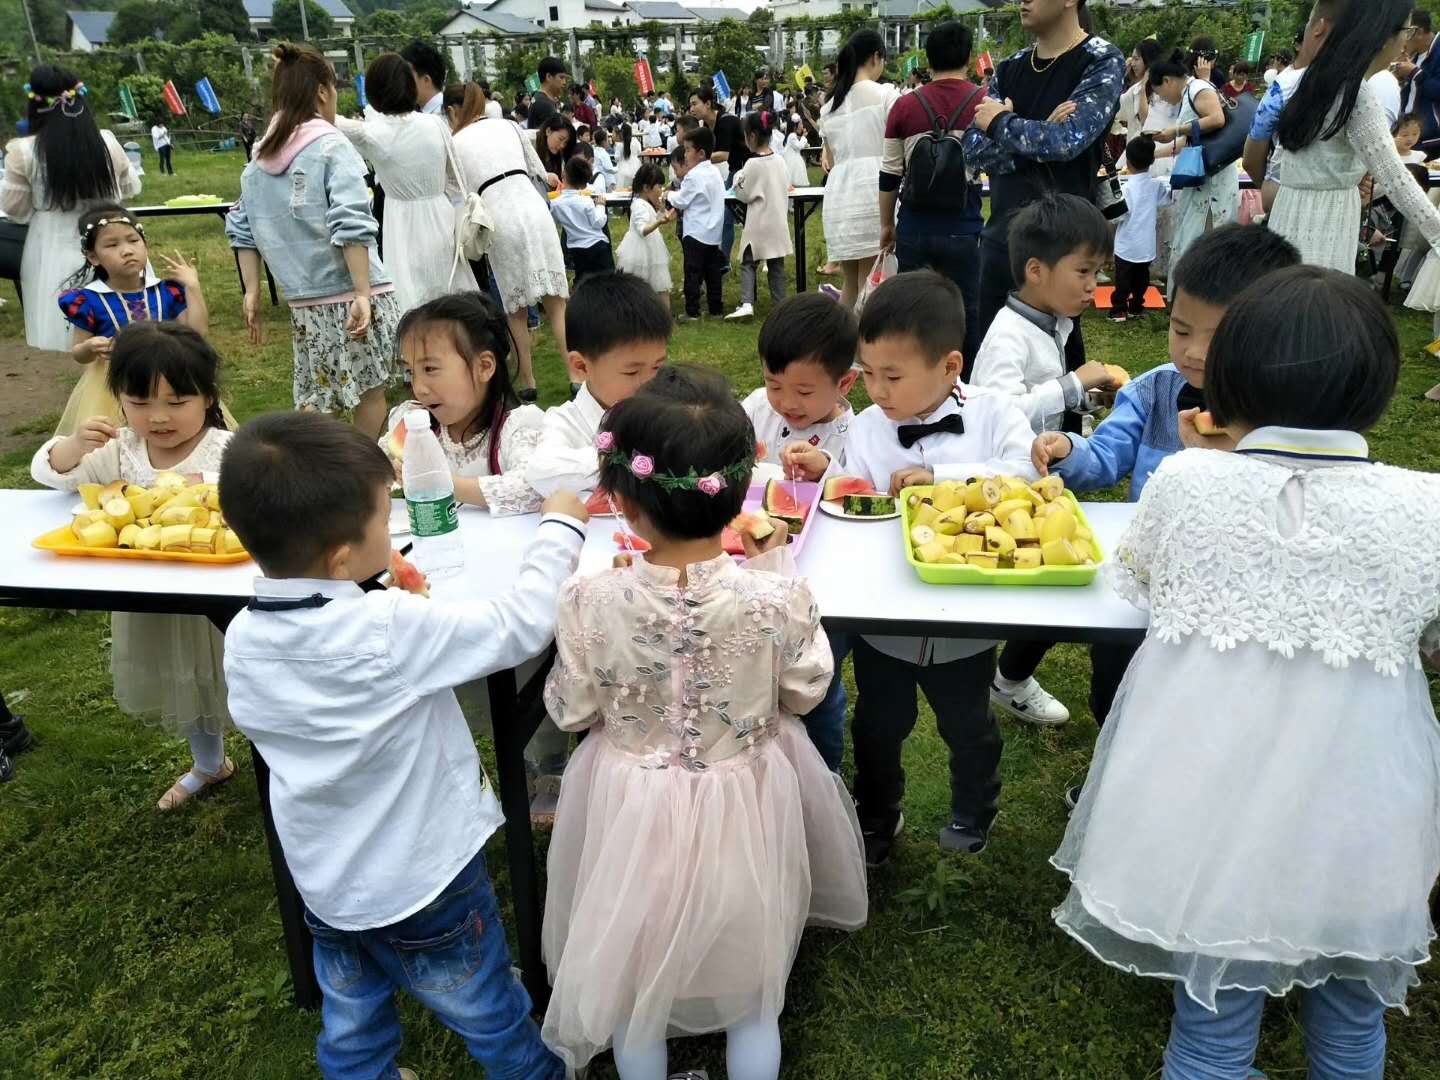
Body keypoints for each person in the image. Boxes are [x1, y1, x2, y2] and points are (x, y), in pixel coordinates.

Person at [1053, 266, 1440, 1080]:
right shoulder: (1428, 506)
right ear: (1378, 387)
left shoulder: (1189, 481)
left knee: (1212, 1023)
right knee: (1353, 1013)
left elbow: (1143, 580)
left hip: (1209, 805)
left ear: (1229, 377)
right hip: (1363, 812)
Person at [220, 412, 584, 1080]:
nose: (391, 532)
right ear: (339, 558)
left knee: (353, 1021)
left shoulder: (242, 635)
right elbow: (519, 625)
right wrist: (561, 523)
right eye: (384, 520)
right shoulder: (387, 628)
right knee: (490, 1012)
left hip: (329, 885)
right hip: (428, 880)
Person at [538, 365, 868, 1077]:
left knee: (633, 981)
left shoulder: (589, 601)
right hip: (743, 794)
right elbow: (809, 688)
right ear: (739, 493)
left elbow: (571, 708)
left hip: (632, 799)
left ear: (621, 501)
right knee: (753, 990)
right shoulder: (778, 598)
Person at [1032, 225, 1301, 797]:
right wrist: (1067, 451)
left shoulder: (1281, 415)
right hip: (1144, 582)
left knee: (1207, 704)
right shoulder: (1154, 392)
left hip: (1227, 602)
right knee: (1117, 686)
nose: (1195, 352)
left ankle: (1189, 788)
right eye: (1181, 329)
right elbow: (1106, 458)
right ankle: (1119, 774)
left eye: (1219, 336)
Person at [843, 271, 1036, 867]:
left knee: (968, 727)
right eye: (868, 373)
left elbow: (1027, 481)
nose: (876, 390)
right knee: (877, 727)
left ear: (951, 367)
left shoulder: (997, 415)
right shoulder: (866, 429)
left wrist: (945, 482)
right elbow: (854, 504)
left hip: (965, 620)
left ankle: (974, 809)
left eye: (893, 376)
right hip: (888, 622)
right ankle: (877, 817)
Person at [30, 322, 234, 810]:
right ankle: (209, 763)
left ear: (208, 398)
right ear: (119, 399)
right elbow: (48, 473)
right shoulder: (118, 451)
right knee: (184, 683)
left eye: (176, 402)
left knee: (239, 681)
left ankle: (280, 758)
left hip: (219, 600)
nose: (158, 418)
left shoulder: (228, 451)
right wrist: (74, 446)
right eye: (140, 403)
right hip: (151, 603)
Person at [970, 195, 1117, 729]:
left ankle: (1003, 675)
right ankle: (999, 677)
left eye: (1096, 273)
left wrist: (1083, 403)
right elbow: (1000, 407)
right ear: (1036, 271)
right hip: (1009, 484)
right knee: (1051, 581)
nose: (1091, 285)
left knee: (1055, 580)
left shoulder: (1051, 322)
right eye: (1083, 272)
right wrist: (1073, 383)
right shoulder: (1009, 335)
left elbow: (1044, 397)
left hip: (1041, 477)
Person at [226, 43, 399, 438]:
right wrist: (361, 292)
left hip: (305, 303)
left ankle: (313, 473)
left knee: (317, 398)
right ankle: (358, 471)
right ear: (322, 91)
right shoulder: (331, 147)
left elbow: (241, 227)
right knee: (370, 394)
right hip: (353, 292)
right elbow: (352, 222)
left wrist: (252, 290)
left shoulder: (256, 163)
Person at [965, 0, 1124, 369]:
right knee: (993, 370)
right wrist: (1039, 132)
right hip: (1002, 241)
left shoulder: (1100, 59)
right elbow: (973, 149)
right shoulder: (1010, 66)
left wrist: (1004, 123)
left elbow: (1068, 141)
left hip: (1061, 246)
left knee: (1057, 368)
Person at [745, 294, 860, 774]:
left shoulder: (856, 434)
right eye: (774, 384)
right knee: (757, 678)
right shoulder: (757, 409)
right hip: (758, 579)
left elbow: (863, 496)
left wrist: (828, 473)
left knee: (818, 684)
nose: (787, 402)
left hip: (825, 590)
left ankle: (825, 772)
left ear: (845, 382)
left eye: (804, 391)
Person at [1271, 0, 1440, 274]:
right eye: (1405, 32)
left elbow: (1284, 160)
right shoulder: (1357, 95)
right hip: (1327, 222)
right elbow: (1396, 179)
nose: (1404, 44)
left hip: (1287, 212)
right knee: (1319, 302)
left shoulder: (1309, 80)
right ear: (1383, 36)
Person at [1, 65, 141, 352]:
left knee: (81, 342)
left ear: (34, 102)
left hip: (54, 252)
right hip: (113, 243)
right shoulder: (107, 142)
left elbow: (15, 209)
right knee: (130, 326)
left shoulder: (24, 151)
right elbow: (130, 188)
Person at [879, 20, 987, 364]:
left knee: (913, 312)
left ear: (927, 58)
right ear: (968, 57)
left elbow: (889, 174)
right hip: (964, 227)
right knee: (967, 311)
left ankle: (915, 375)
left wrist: (887, 225)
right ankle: (964, 382)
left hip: (914, 226)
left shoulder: (904, 106)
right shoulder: (985, 103)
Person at [53, 205, 213, 439]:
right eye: (112, 245)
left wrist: (193, 287)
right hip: (112, 385)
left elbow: (197, 332)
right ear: (93, 256)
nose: (127, 251)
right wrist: (90, 348)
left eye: (133, 241)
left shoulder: (165, 291)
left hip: (169, 376)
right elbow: (78, 352)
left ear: (144, 244)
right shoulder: (89, 299)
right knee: (117, 441)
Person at [335, 53, 477, 314]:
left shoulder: (372, 133)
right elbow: (456, 180)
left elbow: (328, 121)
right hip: (442, 215)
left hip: (401, 223)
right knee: (453, 299)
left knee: (410, 303)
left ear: (374, 91)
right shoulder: (436, 124)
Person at [449, 94, 570, 401]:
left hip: (497, 213)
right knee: (556, 302)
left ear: (453, 111)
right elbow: (538, 169)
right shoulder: (510, 126)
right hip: (531, 205)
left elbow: (458, 192)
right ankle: (575, 374)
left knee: (514, 309)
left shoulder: (456, 142)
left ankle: (528, 381)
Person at [380, 292, 544, 514]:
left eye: (430, 369)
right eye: (411, 372)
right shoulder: (413, 425)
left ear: (484, 367)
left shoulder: (516, 428)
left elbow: (534, 487)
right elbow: (370, 470)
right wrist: (386, 472)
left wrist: (436, 481)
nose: (419, 387)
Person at [526, 270, 670, 499]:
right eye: (632, 371)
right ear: (581, 366)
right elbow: (541, 471)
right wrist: (635, 460)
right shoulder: (566, 421)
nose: (649, 383)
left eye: (657, 367)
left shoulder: (668, 407)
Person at [819, 29, 901, 310]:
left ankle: (842, 347)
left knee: (851, 284)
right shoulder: (885, 95)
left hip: (840, 193)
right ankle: (863, 352)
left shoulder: (829, 107)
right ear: (876, 57)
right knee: (872, 282)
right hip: (872, 190)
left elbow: (829, 155)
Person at [1243, 0, 1346, 216]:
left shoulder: (1282, 87)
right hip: (1330, 208)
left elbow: (1250, 160)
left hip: (1283, 197)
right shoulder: (1351, 86)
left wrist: (1272, 184)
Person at [1148, 52, 1237, 295]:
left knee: (1205, 240)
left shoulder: (1197, 87)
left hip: (1213, 183)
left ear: (1167, 81)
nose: (1163, 99)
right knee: (1192, 238)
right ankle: (1190, 296)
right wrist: (1153, 153)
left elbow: (1216, 118)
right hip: (1201, 179)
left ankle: (1203, 297)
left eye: (1159, 93)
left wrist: (1175, 129)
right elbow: (1188, 143)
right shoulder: (1190, 94)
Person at [727, 111, 792, 322]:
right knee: (776, 265)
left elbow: (743, 193)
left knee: (748, 260)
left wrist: (737, 179)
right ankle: (780, 304)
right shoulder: (780, 161)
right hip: (778, 220)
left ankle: (747, 303)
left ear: (752, 136)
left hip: (758, 221)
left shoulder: (753, 164)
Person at [667, 126, 727, 323]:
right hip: (713, 232)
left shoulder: (694, 175)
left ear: (700, 153)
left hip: (695, 232)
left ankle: (692, 311)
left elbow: (682, 200)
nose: (684, 154)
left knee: (692, 272)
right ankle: (716, 308)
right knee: (713, 273)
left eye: (687, 150)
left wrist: (668, 194)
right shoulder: (715, 173)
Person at [1109, 136, 1170, 320]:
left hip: (1127, 244)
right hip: (1146, 245)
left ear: (1127, 161)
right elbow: (1166, 199)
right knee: (1141, 279)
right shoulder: (1155, 185)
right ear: (1152, 160)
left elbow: (1118, 216)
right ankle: (1136, 306)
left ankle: (1119, 309)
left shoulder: (1126, 188)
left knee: (1123, 280)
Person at [689, 83, 748, 273]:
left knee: (727, 214)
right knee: (726, 216)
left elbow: (723, 154)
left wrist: (695, 160)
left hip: (748, 170)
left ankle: (726, 259)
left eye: (694, 104)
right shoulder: (706, 125)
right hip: (736, 170)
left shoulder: (726, 121)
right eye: (690, 105)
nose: (691, 109)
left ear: (708, 103)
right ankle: (724, 260)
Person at [616, 162, 674, 303]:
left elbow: (657, 218)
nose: (661, 190)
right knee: (644, 284)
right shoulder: (639, 205)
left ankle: (662, 315)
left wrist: (661, 211)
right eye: (659, 187)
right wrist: (659, 222)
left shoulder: (646, 204)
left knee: (659, 282)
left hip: (652, 247)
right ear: (646, 188)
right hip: (640, 250)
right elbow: (643, 230)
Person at [551, 157, 613, 283]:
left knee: (583, 283)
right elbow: (598, 222)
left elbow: (555, 221)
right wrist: (600, 206)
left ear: (563, 174)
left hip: (577, 250)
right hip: (598, 247)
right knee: (608, 283)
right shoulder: (586, 201)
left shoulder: (555, 204)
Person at [400, 39, 447, 115]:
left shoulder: (446, 115)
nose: (402, 81)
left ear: (426, 80)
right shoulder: (418, 113)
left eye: (407, 75)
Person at [528, 56, 569, 129]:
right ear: (549, 77)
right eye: (561, 77)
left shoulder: (539, 98)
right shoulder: (544, 104)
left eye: (565, 78)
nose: (564, 82)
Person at [533, 113, 575, 182]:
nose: (562, 146)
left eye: (565, 142)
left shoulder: (560, 156)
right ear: (548, 131)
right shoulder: (529, 142)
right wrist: (546, 176)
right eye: (560, 139)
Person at [782, 113, 811, 186]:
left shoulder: (793, 135)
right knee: (794, 177)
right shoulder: (792, 135)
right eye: (800, 124)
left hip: (795, 158)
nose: (802, 126)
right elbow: (799, 146)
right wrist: (804, 137)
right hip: (793, 160)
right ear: (795, 126)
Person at [613, 121, 642, 189]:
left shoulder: (620, 145)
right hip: (636, 166)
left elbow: (617, 157)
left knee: (622, 187)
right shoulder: (635, 142)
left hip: (623, 167)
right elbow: (639, 151)